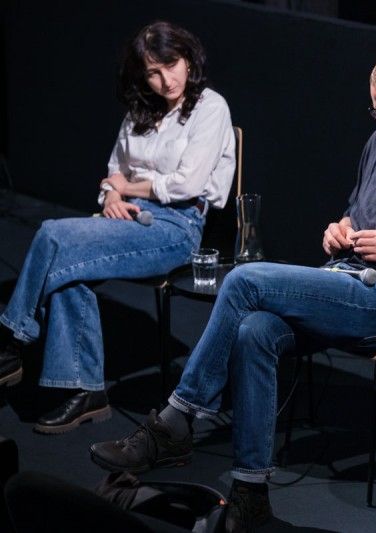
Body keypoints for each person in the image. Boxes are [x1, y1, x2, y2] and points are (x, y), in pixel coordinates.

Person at [89, 47, 376, 532]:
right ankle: (250, 491)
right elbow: (356, 211)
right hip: (344, 280)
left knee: (243, 280)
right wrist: (340, 228)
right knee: (256, 332)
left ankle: (176, 421)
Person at [0, 21, 235, 434]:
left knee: (54, 233)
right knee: (70, 275)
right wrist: (112, 193)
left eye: (172, 65)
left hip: (177, 226)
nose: (166, 80)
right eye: (152, 72)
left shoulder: (209, 106)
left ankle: (12, 340)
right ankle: (84, 392)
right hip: (127, 215)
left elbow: (187, 184)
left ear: (188, 58)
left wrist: (130, 185)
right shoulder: (140, 110)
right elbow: (114, 170)